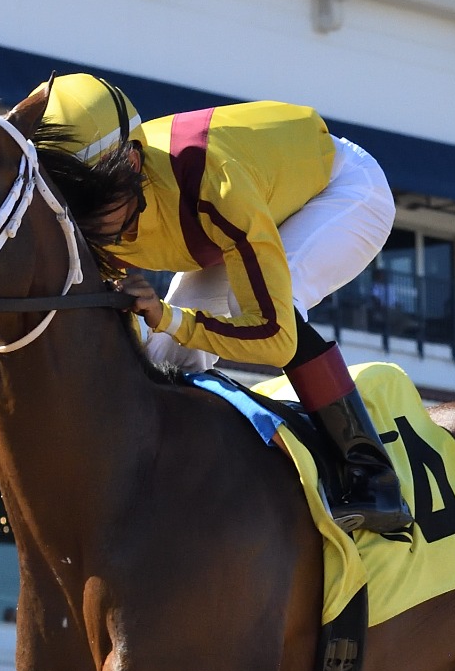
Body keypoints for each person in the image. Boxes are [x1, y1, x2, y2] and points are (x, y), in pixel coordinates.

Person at [38, 73, 410, 533]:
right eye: (73, 206)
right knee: (164, 357)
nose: (89, 225)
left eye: (95, 203)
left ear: (133, 164)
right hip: (237, 215)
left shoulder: (216, 184)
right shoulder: (95, 206)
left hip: (343, 190)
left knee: (268, 306)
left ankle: (373, 477)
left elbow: (275, 338)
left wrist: (169, 316)